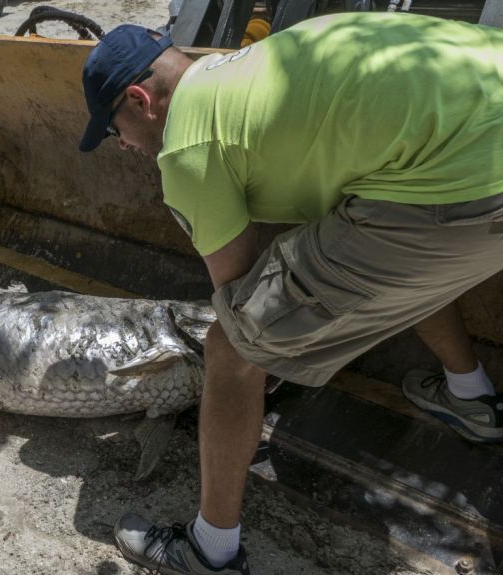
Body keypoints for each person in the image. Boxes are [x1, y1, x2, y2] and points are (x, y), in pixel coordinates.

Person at [79, 11, 503, 575]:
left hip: (465, 189)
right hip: (471, 136)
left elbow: (241, 302)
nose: (125, 146)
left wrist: (262, 360)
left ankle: (211, 552)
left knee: (231, 348)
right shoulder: (254, 68)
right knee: (371, 224)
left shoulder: (187, 147)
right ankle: (471, 397)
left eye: (113, 132)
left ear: (140, 100)